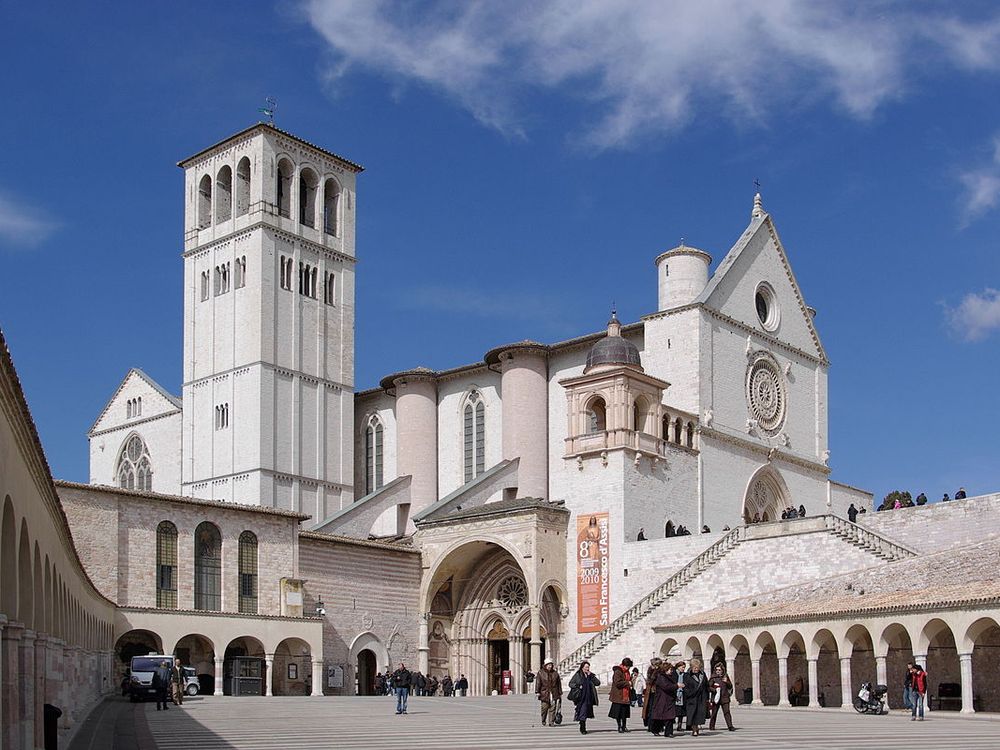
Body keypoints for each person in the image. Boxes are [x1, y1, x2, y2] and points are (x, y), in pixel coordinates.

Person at [569, 660, 601, 735]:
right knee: (583, 711)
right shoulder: (578, 675)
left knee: (586, 712)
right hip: (581, 697)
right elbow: (571, 684)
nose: (587, 669)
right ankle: (583, 728)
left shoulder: (590, 675)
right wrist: (577, 686)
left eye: (588, 667)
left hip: (589, 697)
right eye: (586, 667)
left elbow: (598, 683)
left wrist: (592, 676)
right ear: (582, 668)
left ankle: (582, 722)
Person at [649, 661, 678, 737]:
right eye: (670, 669)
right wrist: (677, 686)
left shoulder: (669, 677)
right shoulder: (661, 677)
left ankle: (669, 732)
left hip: (669, 699)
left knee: (670, 717)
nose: (671, 671)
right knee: (661, 716)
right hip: (662, 699)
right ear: (665, 670)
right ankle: (655, 730)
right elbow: (666, 687)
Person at [682, 658, 708, 736]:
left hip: (701, 698)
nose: (696, 669)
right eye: (694, 667)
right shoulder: (687, 675)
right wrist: (689, 694)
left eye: (697, 667)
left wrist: (707, 697)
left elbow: (706, 685)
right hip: (691, 698)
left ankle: (696, 728)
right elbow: (685, 687)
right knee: (692, 714)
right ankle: (694, 729)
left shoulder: (702, 675)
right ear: (691, 667)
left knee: (699, 714)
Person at [708, 663, 736, 732]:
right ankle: (711, 726)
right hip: (716, 698)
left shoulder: (725, 676)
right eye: (717, 670)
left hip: (725, 697)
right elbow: (708, 687)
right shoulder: (713, 677)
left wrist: (727, 682)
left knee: (727, 712)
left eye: (719, 670)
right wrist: (714, 690)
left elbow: (730, 686)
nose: (718, 671)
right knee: (714, 713)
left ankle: (730, 726)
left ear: (722, 670)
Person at [535, 657, 562, 727]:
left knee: (553, 707)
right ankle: (543, 720)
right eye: (548, 665)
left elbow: (558, 683)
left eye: (551, 665)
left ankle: (551, 722)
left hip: (553, 692)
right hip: (544, 692)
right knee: (544, 708)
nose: (550, 666)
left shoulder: (555, 673)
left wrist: (560, 693)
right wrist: (537, 691)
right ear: (545, 665)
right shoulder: (541, 672)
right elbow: (538, 682)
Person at [608, 657, 634, 732]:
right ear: (625, 665)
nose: (628, 668)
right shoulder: (618, 671)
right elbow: (617, 683)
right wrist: (627, 683)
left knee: (625, 713)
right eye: (628, 666)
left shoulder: (627, 672)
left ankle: (624, 726)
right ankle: (619, 726)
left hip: (626, 695)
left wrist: (630, 683)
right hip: (619, 695)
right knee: (618, 713)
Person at [641, 658, 661, 730]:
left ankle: (657, 725)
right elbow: (650, 680)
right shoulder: (652, 670)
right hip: (652, 692)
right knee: (651, 709)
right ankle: (651, 725)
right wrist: (655, 671)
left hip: (657, 691)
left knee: (656, 709)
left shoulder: (658, 670)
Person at [674, 660, 687, 733]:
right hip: (675, 694)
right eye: (682, 667)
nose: (683, 669)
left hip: (682, 694)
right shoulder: (674, 674)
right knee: (675, 710)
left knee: (681, 712)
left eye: (684, 667)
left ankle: (679, 725)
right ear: (678, 667)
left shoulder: (684, 675)